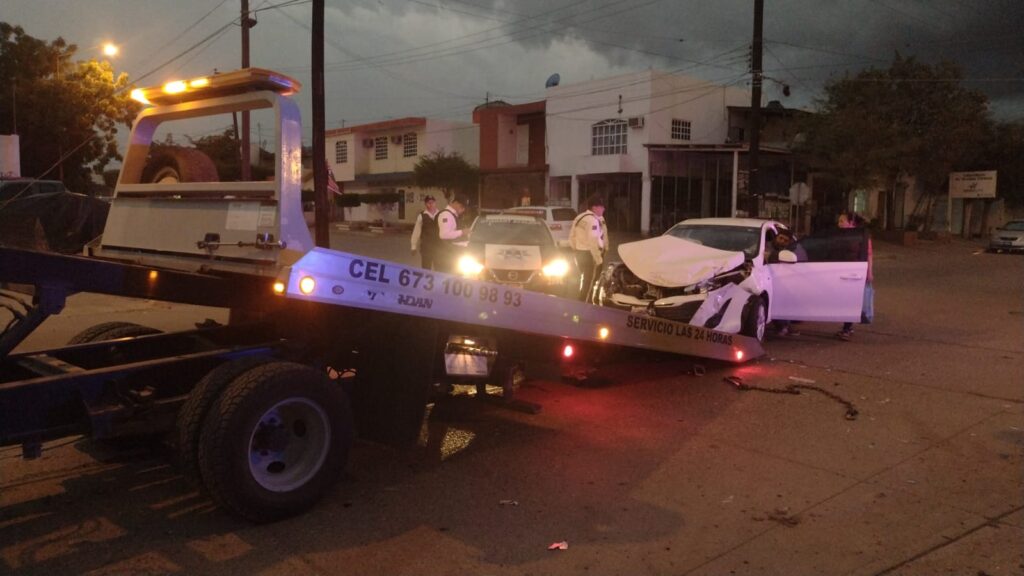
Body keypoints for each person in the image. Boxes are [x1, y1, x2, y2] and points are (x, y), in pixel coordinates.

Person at [837, 212, 873, 341]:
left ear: (851, 223)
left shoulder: (860, 237)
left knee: (849, 301)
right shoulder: (842, 235)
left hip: (853, 273)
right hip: (842, 272)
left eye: (842, 221)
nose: (839, 224)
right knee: (845, 300)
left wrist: (869, 273)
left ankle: (847, 328)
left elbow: (868, 255)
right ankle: (848, 327)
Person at [767, 228, 806, 337]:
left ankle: (784, 327)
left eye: (785, 240)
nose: (782, 241)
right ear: (776, 237)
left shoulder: (788, 251)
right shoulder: (766, 246)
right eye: (780, 238)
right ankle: (783, 327)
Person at [569, 194, 607, 302]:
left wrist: (575, 249)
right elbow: (593, 241)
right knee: (589, 282)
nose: (603, 209)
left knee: (584, 279)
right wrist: (598, 258)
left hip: (579, 253)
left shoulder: (579, 217)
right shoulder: (593, 220)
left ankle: (583, 301)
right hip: (589, 254)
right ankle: (584, 304)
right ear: (594, 208)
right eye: (601, 206)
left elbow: (571, 236)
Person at [436, 195, 469, 273]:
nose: (463, 210)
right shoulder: (446, 215)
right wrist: (462, 232)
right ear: (456, 203)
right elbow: (444, 235)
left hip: (453, 253)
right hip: (447, 256)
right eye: (462, 207)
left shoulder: (453, 215)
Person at [410, 195, 439, 270]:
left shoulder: (441, 214)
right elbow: (416, 231)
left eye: (432, 202)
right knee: (426, 268)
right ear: (425, 204)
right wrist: (413, 246)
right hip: (426, 247)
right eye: (428, 203)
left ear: (435, 203)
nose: (430, 204)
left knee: (439, 268)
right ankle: (426, 281)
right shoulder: (421, 216)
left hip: (439, 247)